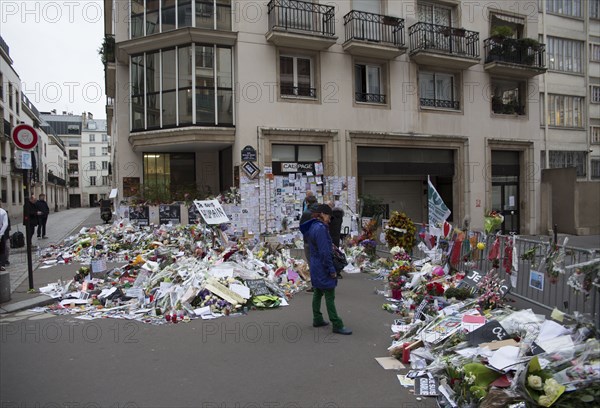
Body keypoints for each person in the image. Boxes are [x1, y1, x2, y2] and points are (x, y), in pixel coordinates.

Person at [299, 204, 352, 335]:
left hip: (316, 265)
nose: (329, 219)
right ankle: (337, 323)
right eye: (328, 216)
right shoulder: (321, 229)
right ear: (322, 214)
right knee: (329, 294)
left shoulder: (312, 226)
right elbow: (324, 252)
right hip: (323, 266)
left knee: (317, 292)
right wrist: (331, 269)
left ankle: (317, 318)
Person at [328, 201, 345, 278]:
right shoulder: (339, 215)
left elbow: (329, 226)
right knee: (336, 253)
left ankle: (335, 271)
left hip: (330, 236)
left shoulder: (331, 216)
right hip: (336, 237)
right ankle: (337, 271)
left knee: (332, 255)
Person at [0, 202, 9, 271]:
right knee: (2, 250)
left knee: (2, 249)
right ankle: (2, 265)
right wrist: (1, 233)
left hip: (1, 233)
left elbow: (5, 224)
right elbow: (5, 224)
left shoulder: (2, 212)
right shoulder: (3, 212)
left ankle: (2, 264)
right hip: (1, 233)